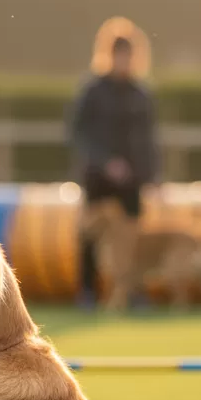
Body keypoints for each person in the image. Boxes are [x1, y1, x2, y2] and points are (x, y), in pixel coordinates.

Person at [69, 18, 160, 306]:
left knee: (132, 237)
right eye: (120, 54)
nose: (125, 60)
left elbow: (149, 139)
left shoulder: (141, 93)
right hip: (98, 176)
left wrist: (153, 176)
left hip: (133, 178)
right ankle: (87, 291)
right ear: (109, 55)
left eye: (130, 54)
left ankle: (132, 291)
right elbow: (77, 132)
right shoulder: (93, 90)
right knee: (89, 236)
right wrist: (106, 161)